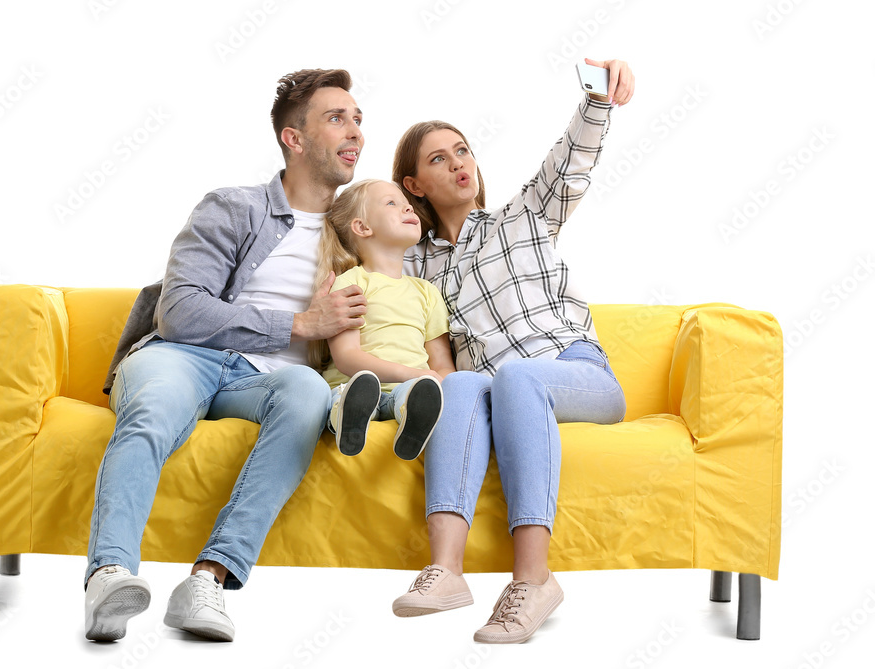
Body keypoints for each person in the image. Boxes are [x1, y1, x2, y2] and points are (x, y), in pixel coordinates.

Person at [84, 68, 369, 643]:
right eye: (337, 117)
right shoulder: (233, 207)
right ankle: (109, 576)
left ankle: (208, 580)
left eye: (359, 119)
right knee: (156, 406)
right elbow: (182, 312)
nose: (356, 131)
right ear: (294, 138)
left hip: (267, 381)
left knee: (310, 391)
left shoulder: (357, 230)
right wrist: (297, 324)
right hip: (184, 355)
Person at [389, 58, 636, 644]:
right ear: (413, 186)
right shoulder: (415, 267)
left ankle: (533, 580)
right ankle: (447, 570)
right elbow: (359, 248)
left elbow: (570, 163)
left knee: (516, 376)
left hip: (577, 373)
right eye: (438, 158)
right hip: (501, 395)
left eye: (464, 150)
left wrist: (598, 99)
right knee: (464, 383)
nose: (459, 163)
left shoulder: (521, 219)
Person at [309, 179, 456, 460]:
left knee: (414, 395)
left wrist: (436, 383)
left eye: (408, 205)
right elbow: (347, 358)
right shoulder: (350, 283)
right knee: (353, 392)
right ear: (363, 227)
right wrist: (414, 374)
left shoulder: (427, 292)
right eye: (392, 203)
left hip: (407, 387)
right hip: (354, 382)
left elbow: (440, 364)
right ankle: (348, 419)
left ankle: (414, 425)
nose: (408, 208)